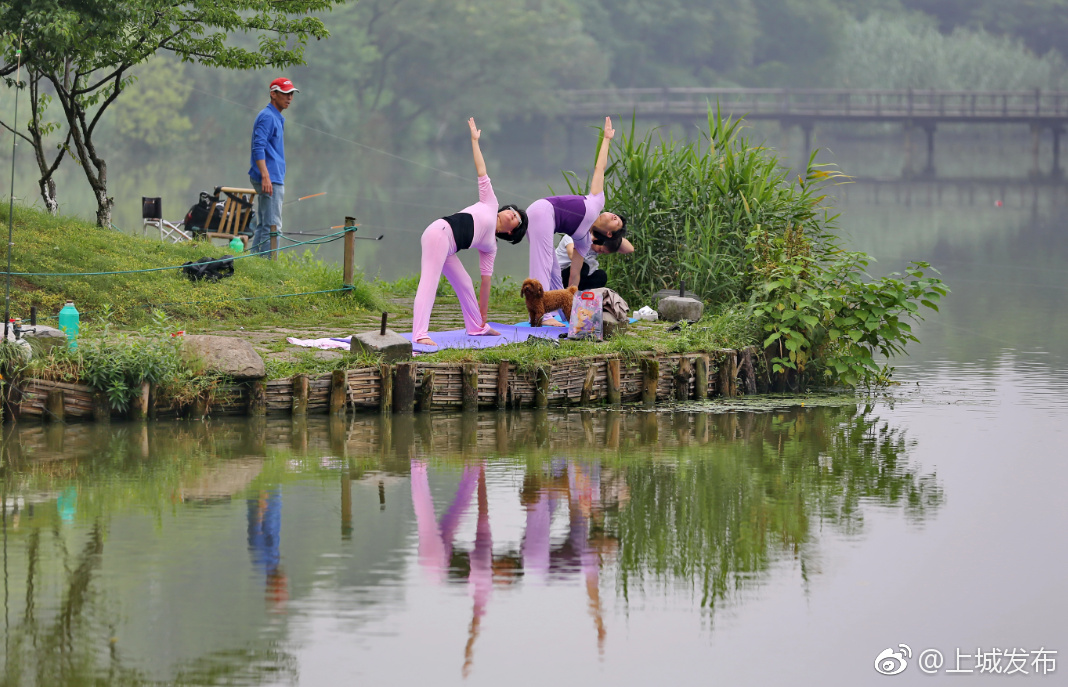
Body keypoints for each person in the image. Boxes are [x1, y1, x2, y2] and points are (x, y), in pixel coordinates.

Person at [412, 118, 528, 346]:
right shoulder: (490, 202)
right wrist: (475, 141)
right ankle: (419, 333)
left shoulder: (490, 248)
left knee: (465, 282)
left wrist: (484, 316)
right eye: (513, 211)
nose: (513, 214)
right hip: (439, 232)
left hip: (448, 247)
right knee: (430, 281)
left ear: (512, 232)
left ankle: (476, 327)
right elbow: (481, 170)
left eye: (517, 218)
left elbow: (486, 284)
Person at [525, 116, 633, 325]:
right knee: (544, 263)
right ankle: (543, 316)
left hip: (543, 220)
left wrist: (573, 308)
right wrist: (606, 139)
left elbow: (574, 278)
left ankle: (560, 313)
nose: (614, 216)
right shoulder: (596, 201)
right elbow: (600, 168)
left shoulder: (583, 240)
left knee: (556, 271)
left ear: (609, 233)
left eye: (616, 222)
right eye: (617, 216)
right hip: (542, 212)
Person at [248, 77, 298, 257]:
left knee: (264, 224)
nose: (289, 97)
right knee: (273, 225)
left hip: (272, 176)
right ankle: (269, 264)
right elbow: (258, 147)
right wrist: (266, 176)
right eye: (285, 93)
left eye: (291, 93)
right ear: (273, 93)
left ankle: (255, 261)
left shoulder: (276, 116)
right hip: (269, 178)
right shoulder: (267, 116)